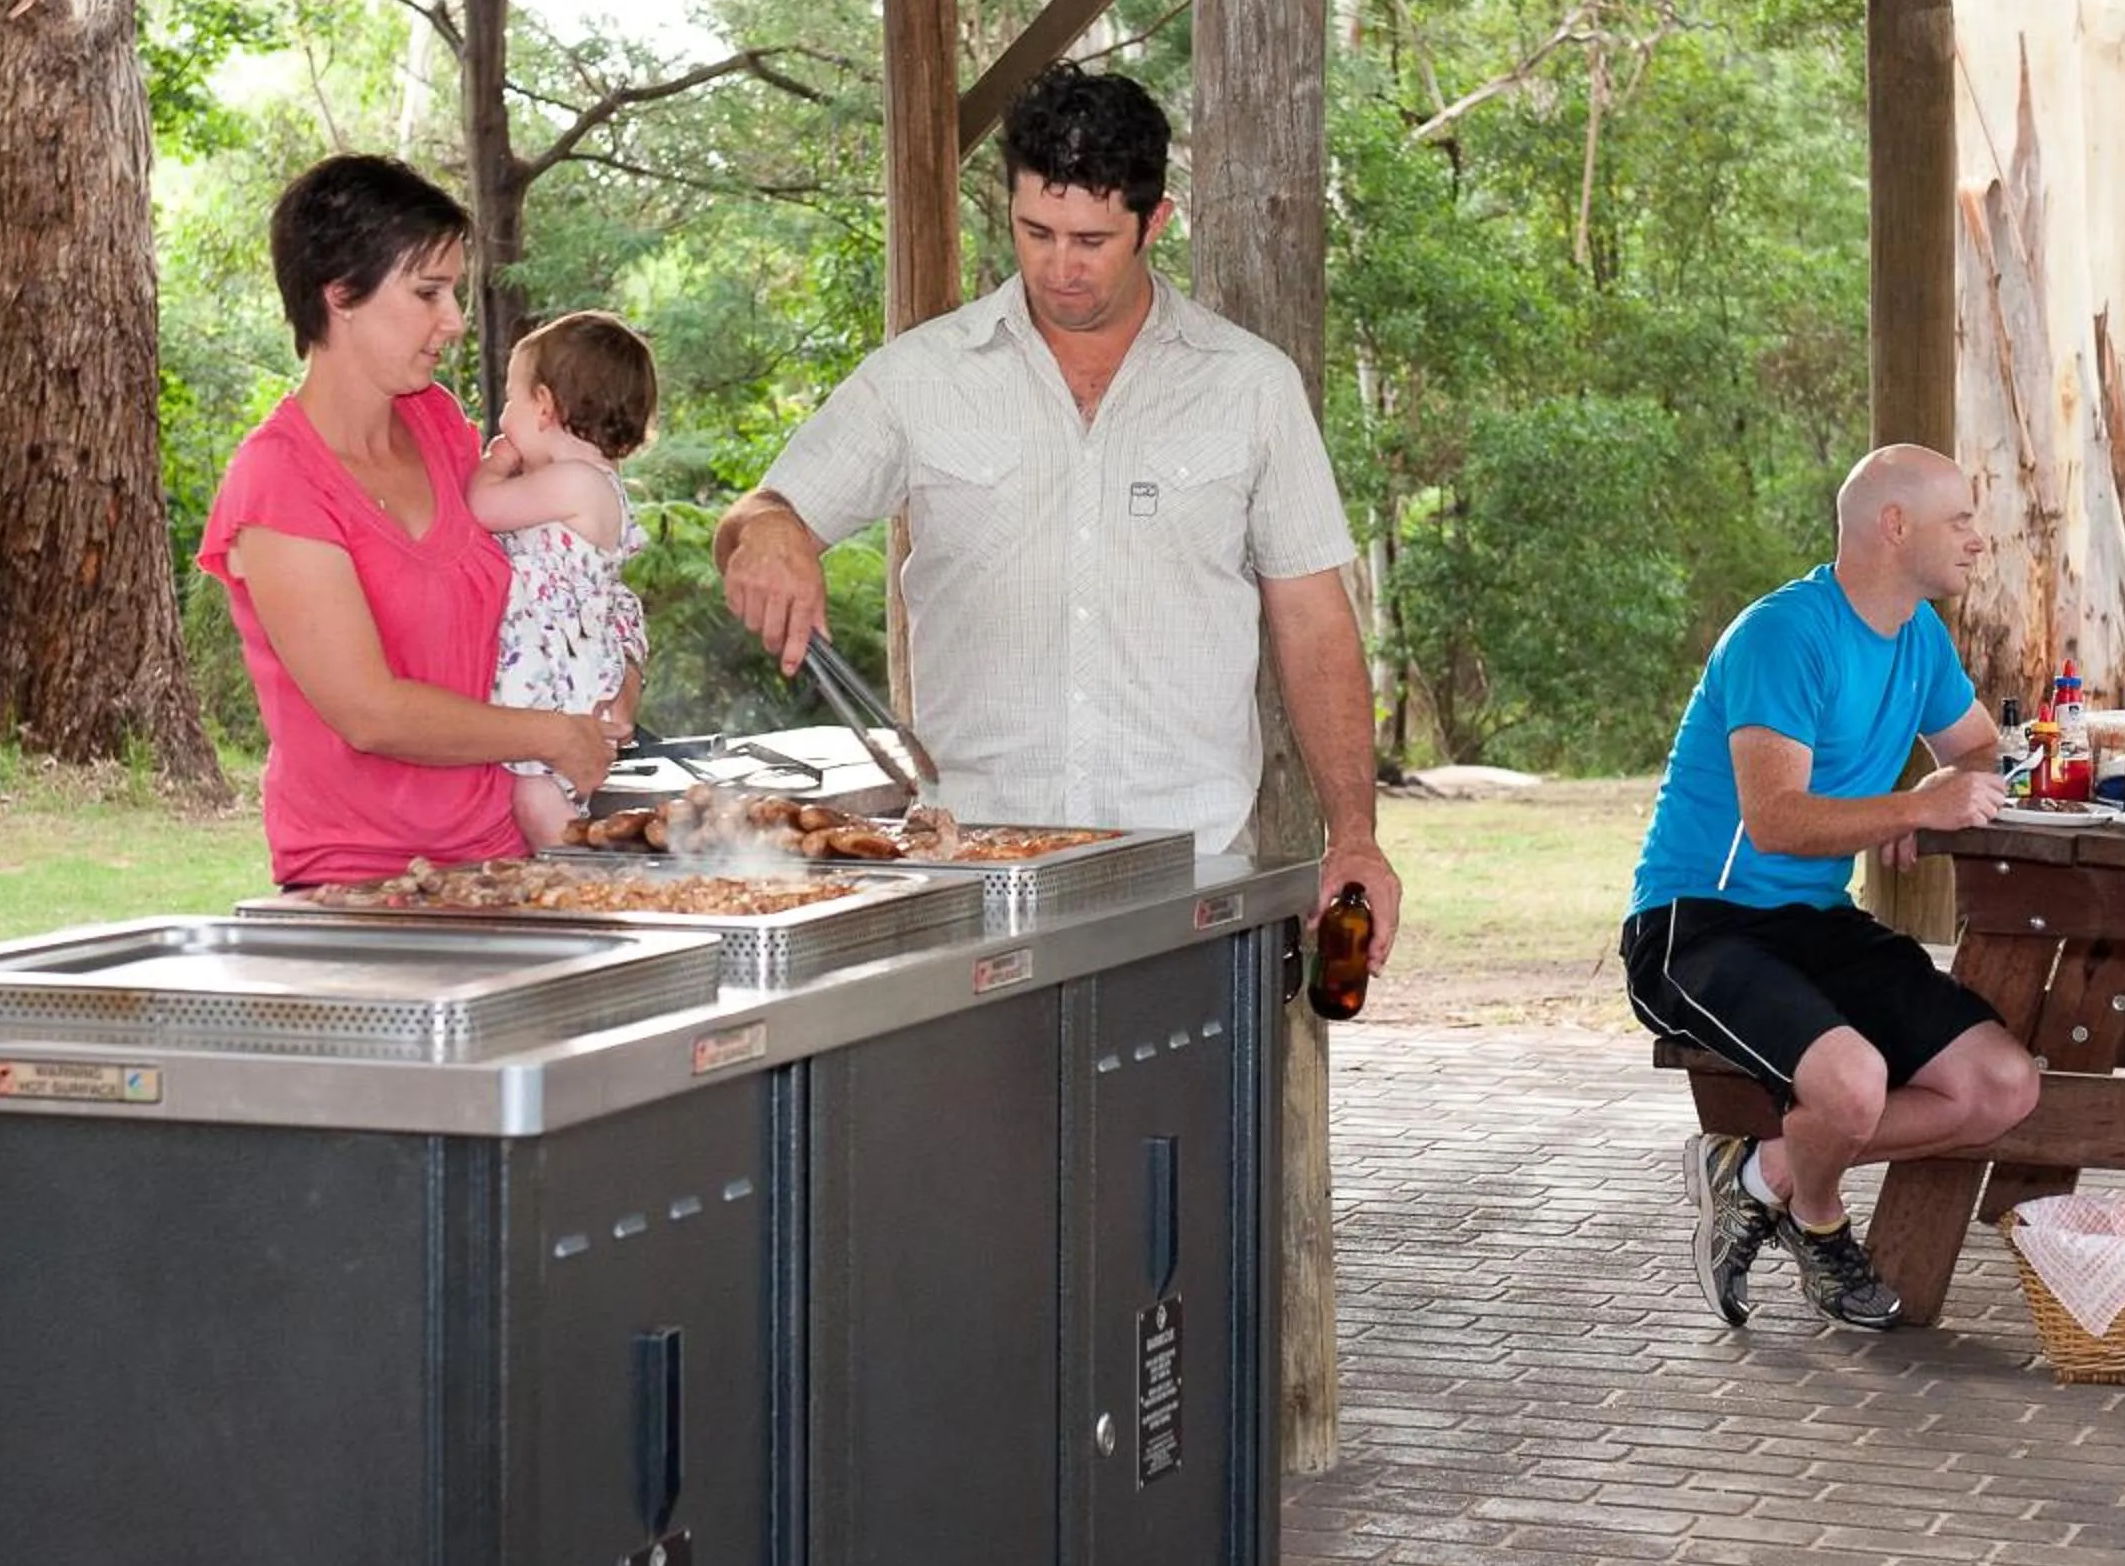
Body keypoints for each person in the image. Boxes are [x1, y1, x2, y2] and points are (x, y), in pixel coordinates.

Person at [711, 63, 1398, 954]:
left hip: (1186, 879)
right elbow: (761, 511)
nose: (1060, 267)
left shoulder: (1252, 388)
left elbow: (1314, 622)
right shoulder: (919, 378)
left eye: (1091, 239)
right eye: (1036, 231)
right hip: (974, 877)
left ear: (1156, 221)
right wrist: (767, 532)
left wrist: (1354, 834)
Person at [1623, 445, 2040, 1331]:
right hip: (1698, 925)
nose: (1976, 538)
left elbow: (1974, 750)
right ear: (1895, 526)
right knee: (1851, 1084)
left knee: (2001, 1088)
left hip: (1816, 920)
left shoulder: (1918, 635)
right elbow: (1774, 818)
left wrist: (1920, 809)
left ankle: (1756, 1174)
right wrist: (1905, 808)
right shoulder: (1785, 633)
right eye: (1959, 519)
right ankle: (1817, 1221)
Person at [198, 155, 616, 887]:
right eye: (428, 293)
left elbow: (554, 585)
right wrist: (554, 735)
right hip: (360, 884)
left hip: (507, 862)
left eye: (451, 291)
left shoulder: (442, 427)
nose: (453, 321)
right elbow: (371, 712)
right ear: (340, 295)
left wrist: (615, 678)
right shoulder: (277, 483)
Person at [467, 311, 659, 849]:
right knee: (541, 788)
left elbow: (480, 507)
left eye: (511, 400)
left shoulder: (573, 483)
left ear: (545, 407)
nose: (503, 417)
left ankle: (576, 872)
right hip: (569, 664)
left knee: (535, 791)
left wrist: (491, 465)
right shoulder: (593, 481)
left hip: (557, 674)